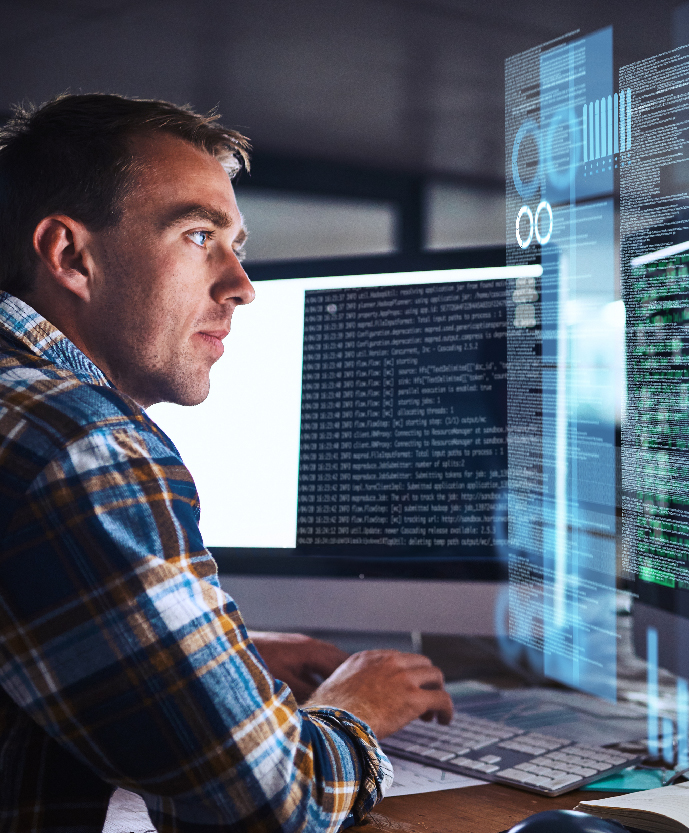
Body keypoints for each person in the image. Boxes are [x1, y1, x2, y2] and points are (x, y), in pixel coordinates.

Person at [0, 94, 453, 831]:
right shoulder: (77, 441)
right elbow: (272, 803)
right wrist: (352, 705)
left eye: (236, 242)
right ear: (70, 256)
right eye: (198, 234)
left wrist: (216, 660)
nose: (240, 284)